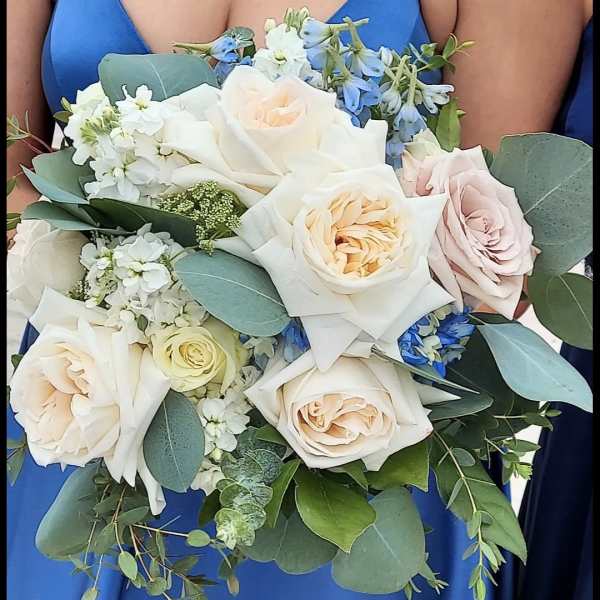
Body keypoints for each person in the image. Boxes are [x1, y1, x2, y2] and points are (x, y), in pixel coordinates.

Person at [5, 1, 591, 599]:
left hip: (346, 433)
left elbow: (491, 252)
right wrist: (136, 293)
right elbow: (11, 182)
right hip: (92, 398)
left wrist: (279, 319)